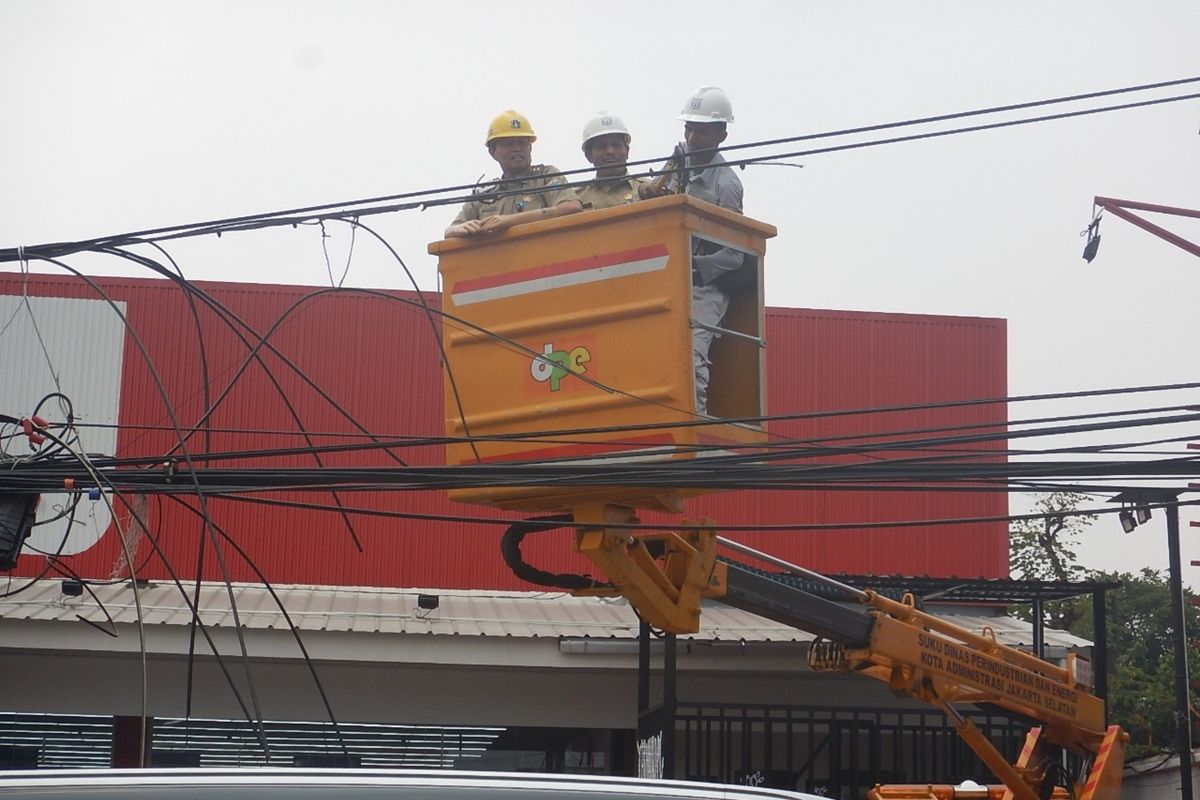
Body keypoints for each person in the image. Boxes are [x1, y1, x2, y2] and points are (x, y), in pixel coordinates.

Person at [643, 87, 744, 416]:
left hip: (705, 287)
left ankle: (694, 429)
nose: (692, 136)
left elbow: (735, 254)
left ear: (721, 135)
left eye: (701, 130)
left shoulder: (726, 184)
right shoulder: (676, 163)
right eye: (689, 128)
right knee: (652, 353)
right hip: (666, 279)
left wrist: (693, 264)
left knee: (693, 354)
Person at [445, 110, 582, 238]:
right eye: (509, 144)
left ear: (530, 147)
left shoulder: (545, 177)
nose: (517, 149)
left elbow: (571, 207)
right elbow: (451, 230)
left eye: (522, 143)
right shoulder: (485, 194)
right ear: (493, 151)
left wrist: (509, 221)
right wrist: (458, 229)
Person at [576, 112, 649, 211]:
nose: (610, 151)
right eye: (602, 146)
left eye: (616, 145)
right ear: (588, 156)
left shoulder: (650, 189)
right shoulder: (576, 199)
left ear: (627, 151)